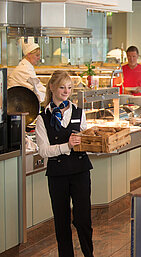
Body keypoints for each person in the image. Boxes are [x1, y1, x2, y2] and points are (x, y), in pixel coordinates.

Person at [35, 70, 94, 257]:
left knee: (83, 219)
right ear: (52, 87)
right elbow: (44, 151)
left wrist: (93, 141)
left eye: (69, 88)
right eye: (62, 87)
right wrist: (66, 146)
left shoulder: (78, 112)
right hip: (57, 174)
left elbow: (85, 140)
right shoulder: (42, 118)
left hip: (80, 171)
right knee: (61, 221)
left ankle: (88, 254)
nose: (66, 91)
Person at [8, 38, 46, 102]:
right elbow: (37, 88)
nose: (39, 58)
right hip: (15, 102)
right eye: (37, 55)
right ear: (28, 54)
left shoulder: (28, 67)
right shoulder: (23, 69)